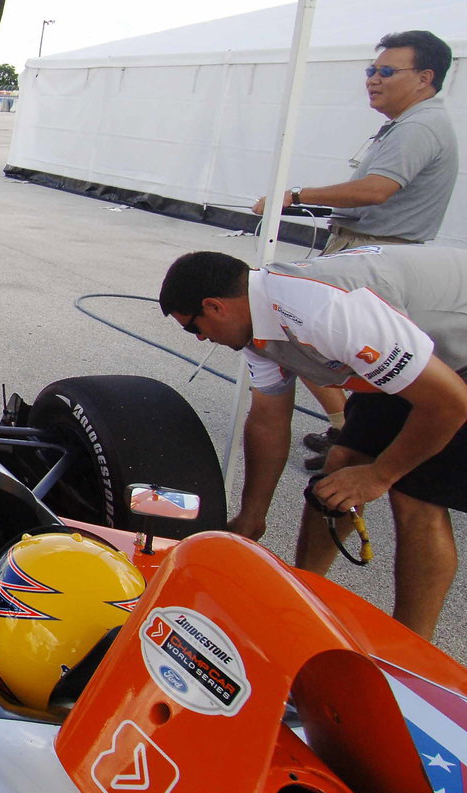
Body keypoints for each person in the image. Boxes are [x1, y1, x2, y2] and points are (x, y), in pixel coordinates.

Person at [159, 247, 467, 640]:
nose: (201, 339)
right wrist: (252, 516)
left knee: (414, 496)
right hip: (411, 354)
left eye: (194, 327)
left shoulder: (326, 313)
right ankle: (302, 595)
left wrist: (379, 475)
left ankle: (412, 648)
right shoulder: (257, 326)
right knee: (340, 462)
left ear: (215, 306)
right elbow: (269, 421)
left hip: (455, 368)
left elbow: (449, 403)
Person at [252, 31, 458, 467]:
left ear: (425, 78)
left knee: (306, 337)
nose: (373, 79)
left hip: (377, 255)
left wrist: (295, 195)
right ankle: (349, 431)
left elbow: (377, 190)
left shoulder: (420, 126)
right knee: (325, 343)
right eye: (371, 70)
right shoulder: (409, 124)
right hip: (371, 249)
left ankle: (358, 444)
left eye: (386, 71)